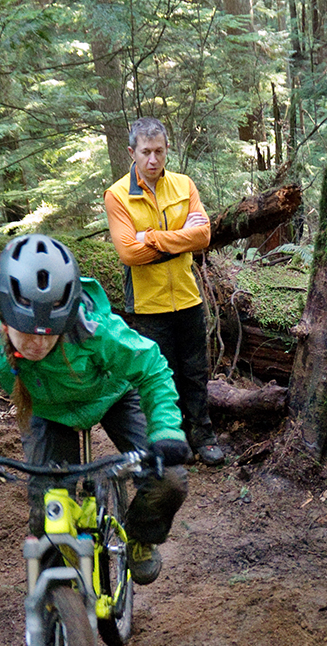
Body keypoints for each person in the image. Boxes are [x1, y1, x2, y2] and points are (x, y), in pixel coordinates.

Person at [0, 234, 191, 584]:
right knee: (46, 513)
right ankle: (55, 604)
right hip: (45, 411)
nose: (37, 344)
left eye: (49, 334)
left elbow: (151, 367)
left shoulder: (92, 328)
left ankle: (140, 535)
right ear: (2, 313)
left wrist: (166, 430)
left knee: (170, 480)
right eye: (26, 332)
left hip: (112, 396)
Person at [104, 116, 225, 467]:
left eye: (159, 151)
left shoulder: (184, 186)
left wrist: (152, 238)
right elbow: (128, 253)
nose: (153, 160)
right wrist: (179, 238)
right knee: (160, 374)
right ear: (132, 152)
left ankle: (203, 436)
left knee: (194, 371)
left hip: (188, 296)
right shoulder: (117, 196)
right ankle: (170, 441)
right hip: (147, 304)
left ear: (167, 149)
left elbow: (203, 237)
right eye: (146, 152)